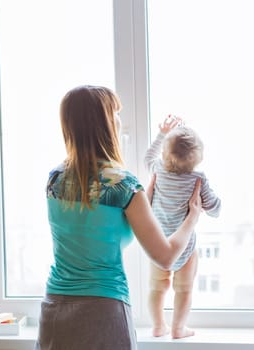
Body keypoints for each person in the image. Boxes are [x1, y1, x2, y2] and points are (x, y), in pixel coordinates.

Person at [34, 86, 203, 350]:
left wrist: (144, 196)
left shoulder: (55, 179)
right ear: (105, 122)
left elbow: (91, 227)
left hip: (55, 307)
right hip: (104, 308)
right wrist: (192, 217)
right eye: (116, 113)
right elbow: (167, 257)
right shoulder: (122, 184)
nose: (119, 119)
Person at [144, 114, 221, 339]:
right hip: (184, 248)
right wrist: (212, 206)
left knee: (157, 288)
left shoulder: (157, 168)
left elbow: (148, 156)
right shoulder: (197, 178)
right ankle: (178, 328)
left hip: (157, 244)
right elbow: (214, 208)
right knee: (184, 289)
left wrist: (161, 134)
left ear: (166, 154)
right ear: (196, 158)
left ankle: (158, 325)